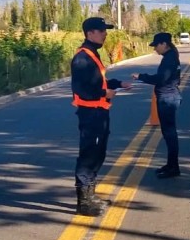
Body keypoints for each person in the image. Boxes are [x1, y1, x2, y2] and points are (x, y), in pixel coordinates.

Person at [71, 17, 131, 216]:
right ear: (90, 33)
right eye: (101, 30)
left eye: (105, 30)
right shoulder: (82, 57)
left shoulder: (92, 54)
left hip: (100, 112)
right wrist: (104, 94)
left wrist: (117, 84)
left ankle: (91, 194)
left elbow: (98, 81)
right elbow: (83, 89)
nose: (105, 34)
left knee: (98, 153)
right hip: (90, 114)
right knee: (89, 154)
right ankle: (84, 202)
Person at [132, 32, 182, 178]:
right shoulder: (171, 56)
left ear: (164, 44)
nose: (155, 49)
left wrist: (141, 77)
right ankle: (171, 165)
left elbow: (161, 78)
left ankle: (174, 168)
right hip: (169, 96)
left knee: (170, 134)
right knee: (168, 134)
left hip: (167, 98)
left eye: (156, 46)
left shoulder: (170, 59)